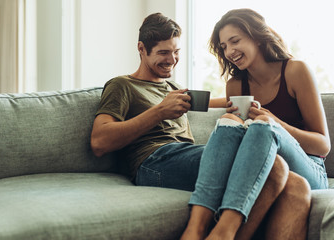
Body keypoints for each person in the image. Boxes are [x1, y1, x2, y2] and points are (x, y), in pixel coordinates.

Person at [90, 12, 312, 239]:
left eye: (176, 52)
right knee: (268, 165)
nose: (172, 59)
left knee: (283, 174)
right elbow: (100, 142)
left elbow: (214, 103)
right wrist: (160, 112)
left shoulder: (173, 88)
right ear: (141, 49)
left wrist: (248, 102)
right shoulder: (123, 85)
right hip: (155, 161)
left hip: (188, 154)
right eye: (163, 52)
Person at [182, 8, 331, 240]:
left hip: (310, 166)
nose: (230, 51)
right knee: (229, 121)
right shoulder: (236, 86)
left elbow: (322, 146)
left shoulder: (295, 71)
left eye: (235, 41)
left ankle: (223, 232)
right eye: (224, 47)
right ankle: (207, 230)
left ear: (257, 37)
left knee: (262, 124)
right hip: (269, 167)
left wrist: (275, 123)